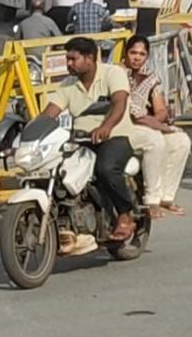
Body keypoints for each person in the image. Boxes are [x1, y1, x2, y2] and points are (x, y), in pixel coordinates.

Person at [40, 37, 137, 241]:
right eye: (67, 59)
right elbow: (49, 113)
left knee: (106, 169)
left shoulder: (113, 73)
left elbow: (119, 103)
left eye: (73, 59)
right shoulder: (68, 85)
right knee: (56, 173)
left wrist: (106, 127)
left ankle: (126, 215)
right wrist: (31, 132)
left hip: (115, 137)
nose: (68, 64)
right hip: (81, 141)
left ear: (90, 58)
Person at [122, 35, 191, 219]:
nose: (137, 58)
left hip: (145, 124)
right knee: (155, 139)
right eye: (133, 53)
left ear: (147, 57)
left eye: (142, 54)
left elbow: (161, 110)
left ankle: (166, 198)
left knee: (181, 141)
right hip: (124, 126)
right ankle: (151, 200)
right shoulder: (117, 74)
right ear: (126, 53)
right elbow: (131, 113)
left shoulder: (150, 78)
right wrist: (155, 125)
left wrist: (154, 120)